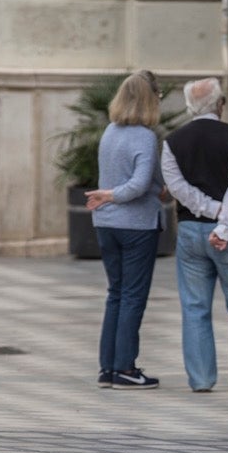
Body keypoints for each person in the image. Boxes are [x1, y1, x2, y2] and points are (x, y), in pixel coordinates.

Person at [161, 77, 228, 394]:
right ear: (220, 104)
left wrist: (208, 209)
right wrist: (224, 222)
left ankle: (201, 379)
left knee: (195, 307)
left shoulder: (172, 141)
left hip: (191, 229)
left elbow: (177, 188)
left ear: (191, 107)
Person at [85, 70, 166, 390]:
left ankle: (108, 367)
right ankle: (125, 368)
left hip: (106, 223)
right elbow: (139, 183)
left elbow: (140, 177)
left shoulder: (110, 131)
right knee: (133, 296)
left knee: (115, 294)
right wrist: (112, 194)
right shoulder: (145, 136)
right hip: (135, 225)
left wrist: (108, 196)